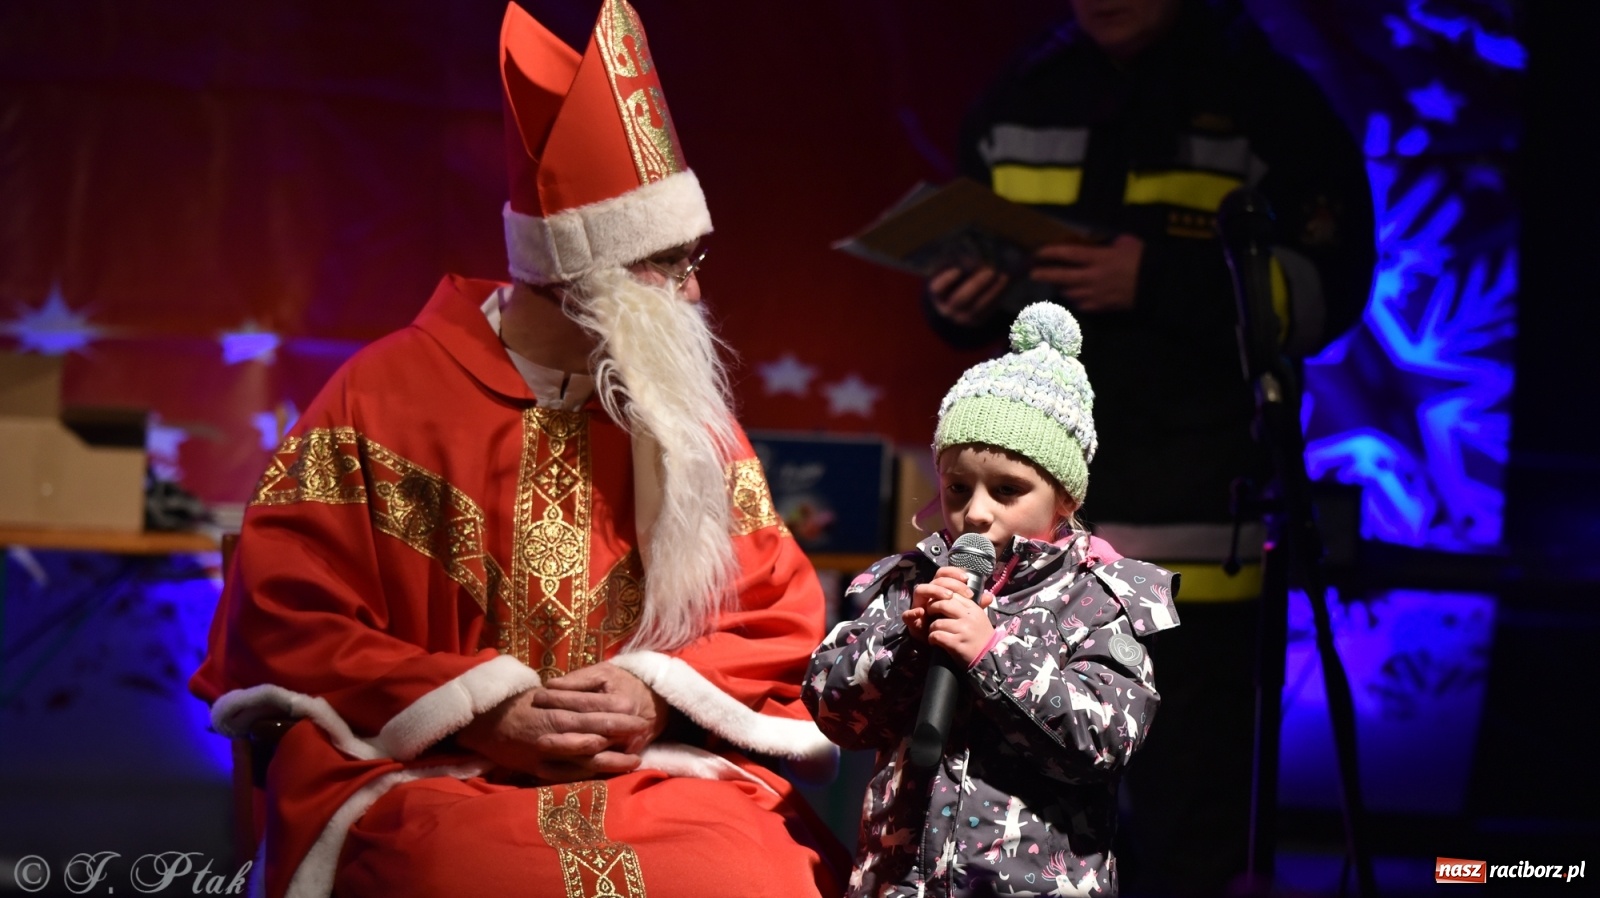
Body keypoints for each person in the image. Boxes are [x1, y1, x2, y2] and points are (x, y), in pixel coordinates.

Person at [189, 3, 848, 897]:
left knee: (752, 876)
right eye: (674, 261)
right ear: (592, 280)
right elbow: (289, 612)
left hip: (659, 771)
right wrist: (482, 708)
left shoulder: (681, 413)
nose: (698, 288)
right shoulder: (378, 400)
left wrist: (660, 689)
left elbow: (774, 607)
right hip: (441, 773)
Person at [923, 1, 1376, 893]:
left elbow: (1333, 294)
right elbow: (958, 261)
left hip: (1196, 556)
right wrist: (951, 298)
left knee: (1189, 841)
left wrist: (1160, 280)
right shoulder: (1023, 92)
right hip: (1028, 562)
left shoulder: (1269, 98)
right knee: (1012, 833)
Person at [804, 303, 1181, 897]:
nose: (976, 511)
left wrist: (990, 653)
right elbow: (834, 712)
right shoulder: (910, 581)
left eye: (1008, 490)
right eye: (958, 487)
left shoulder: (1097, 597)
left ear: (1064, 499)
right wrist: (907, 643)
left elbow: (1108, 741)